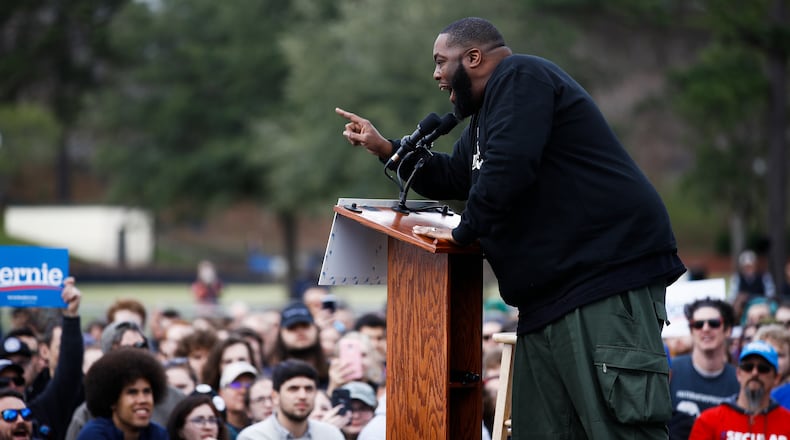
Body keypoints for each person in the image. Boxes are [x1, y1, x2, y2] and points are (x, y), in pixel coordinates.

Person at [336, 16, 685, 438]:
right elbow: (453, 177)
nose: (436, 75)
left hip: (601, 283)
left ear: (474, 57)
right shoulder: (486, 118)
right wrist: (386, 148)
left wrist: (461, 233)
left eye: (440, 62)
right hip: (546, 302)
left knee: (615, 429)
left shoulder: (523, 77)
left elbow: (510, 169)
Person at [669, 298, 740, 439]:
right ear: (691, 330)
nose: (705, 329)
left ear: (728, 330)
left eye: (714, 323)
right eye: (698, 324)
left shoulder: (740, 378)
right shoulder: (670, 370)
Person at [688, 340, 790, 439]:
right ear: (738, 374)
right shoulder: (708, 420)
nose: (755, 373)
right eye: (748, 367)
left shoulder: (787, 422)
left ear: (776, 378)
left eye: (763, 368)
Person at [236, 360, 344, 440]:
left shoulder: (331, 435)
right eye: (293, 389)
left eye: (308, 389)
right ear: (275, 396)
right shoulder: (254, 437)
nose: (302, 395)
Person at [76, 347, 168, 440]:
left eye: (147, 392)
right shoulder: (94, 434)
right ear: (112, 401)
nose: (142, 400)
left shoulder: (158, 434)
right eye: (132, 392)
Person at [265, 303, 329, 388]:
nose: (300, 332)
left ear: (316, 329)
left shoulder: (331, 373)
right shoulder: (268, 375)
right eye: (292, 327)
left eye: (305, 325)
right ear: (281, 333)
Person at [217, 362, 257, 439]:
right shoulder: (216, 430)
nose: (243, 391)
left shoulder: (264, 426)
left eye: (249, 385)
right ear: (221, 392)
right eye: (235, 385)